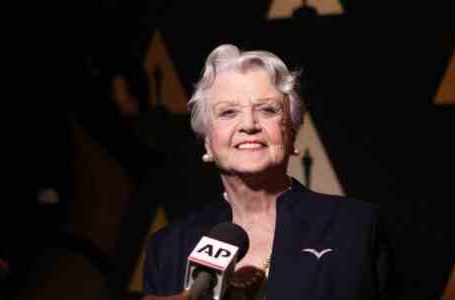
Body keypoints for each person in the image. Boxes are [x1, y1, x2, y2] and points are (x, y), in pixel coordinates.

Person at [143, 44, 397, 299]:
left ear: (293, 132)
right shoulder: (168, 248)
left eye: (267, 109)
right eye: (228, 112)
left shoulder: (354, 228)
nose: (249, 124)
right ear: (208, 141)